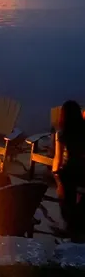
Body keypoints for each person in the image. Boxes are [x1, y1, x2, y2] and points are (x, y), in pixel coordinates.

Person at [52, 100, 85, 239]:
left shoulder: (61, 133)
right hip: (83, 171)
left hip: (69, 172)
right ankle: (77, 226)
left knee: (65, 199)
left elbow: (58, 158)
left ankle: (70, 228)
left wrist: (55, 175)